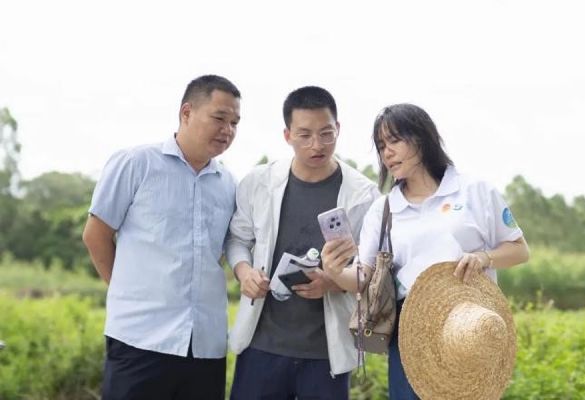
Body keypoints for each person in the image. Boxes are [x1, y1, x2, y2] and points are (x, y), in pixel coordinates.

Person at [321, 103, 529, 399]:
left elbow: (519, 250)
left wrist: (484, 258)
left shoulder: (475, 191)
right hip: (410, 334)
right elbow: (363, 278)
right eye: (381, 146)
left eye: (394, 141)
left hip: (470, 328)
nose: (387, 153)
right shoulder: (384, 209)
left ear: (421, 138)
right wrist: (334, 271)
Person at [82, 75, 241, 400]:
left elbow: (226, 250)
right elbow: (96, 235)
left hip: (205, 345)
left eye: (235, 122)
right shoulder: (136, 163)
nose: (228, 130)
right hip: (140, 338)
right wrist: (126, 291)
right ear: (186, 112)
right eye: (219, 118)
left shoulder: (229, 184)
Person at [225, 86, 379, 400]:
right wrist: (244, 273)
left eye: (326, 133)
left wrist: (333, 283)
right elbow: (238, 239)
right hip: (261, 346)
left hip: (325, 353)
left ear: (338, 129)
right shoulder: (259, 182)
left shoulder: (364, 194)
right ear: (287, 135)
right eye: (305, 135)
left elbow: (372, 270)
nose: (316, 145)